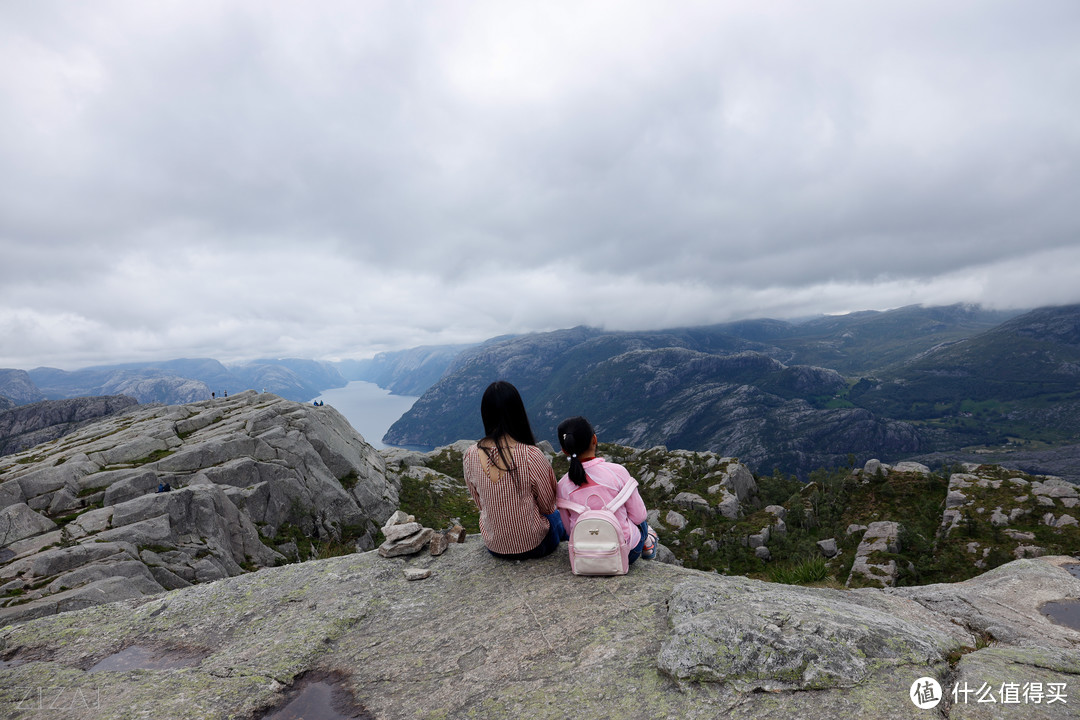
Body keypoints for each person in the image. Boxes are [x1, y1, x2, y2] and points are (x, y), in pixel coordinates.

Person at [463, 381, 566, 560]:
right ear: (518, 412)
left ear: (485, 414)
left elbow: (481, 504)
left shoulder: (470, 455)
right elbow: (548, 506)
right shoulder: (530, 455)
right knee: (557, 517)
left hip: (495, 546)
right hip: (534, 545)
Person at [556, 416, 657, 563]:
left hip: (584, 556)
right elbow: (639, 516)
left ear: (564, 450)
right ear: (595, 440)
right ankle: (649, 541)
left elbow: (568, 529)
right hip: (625, 554)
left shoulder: (563, 485)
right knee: (641, 522)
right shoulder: (617, 472)